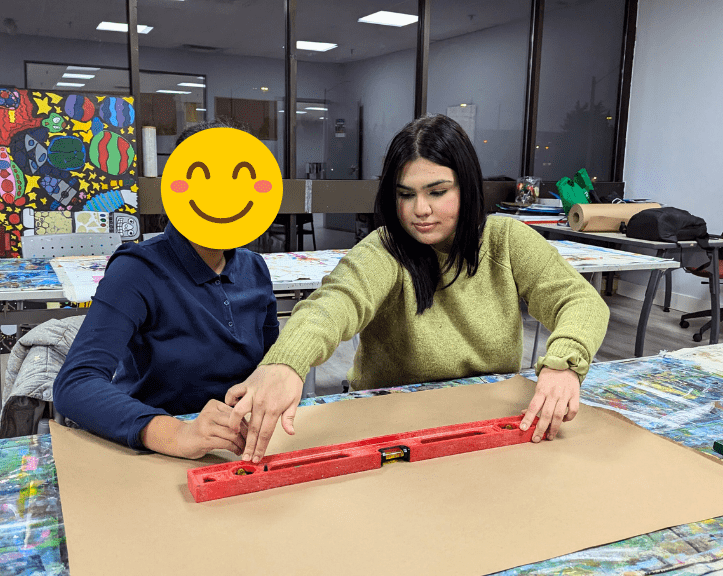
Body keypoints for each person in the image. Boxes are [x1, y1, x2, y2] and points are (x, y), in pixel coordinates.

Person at [226, 114, 610, 463]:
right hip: (392, 433)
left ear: (467, 186)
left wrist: (564, 365)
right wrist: (285, 362)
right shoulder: (384, 248)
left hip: (489, 423)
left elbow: (578, 301)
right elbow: (334, 303)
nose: (419, 210)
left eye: (437, 192)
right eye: (405, 194)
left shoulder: (505, 239)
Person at [53, 120, 279, 458]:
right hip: (158, 453)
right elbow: (75, 384)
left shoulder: (255, 268)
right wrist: (176, 434)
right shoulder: (137, 269)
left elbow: (272, 364)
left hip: (242, 451)